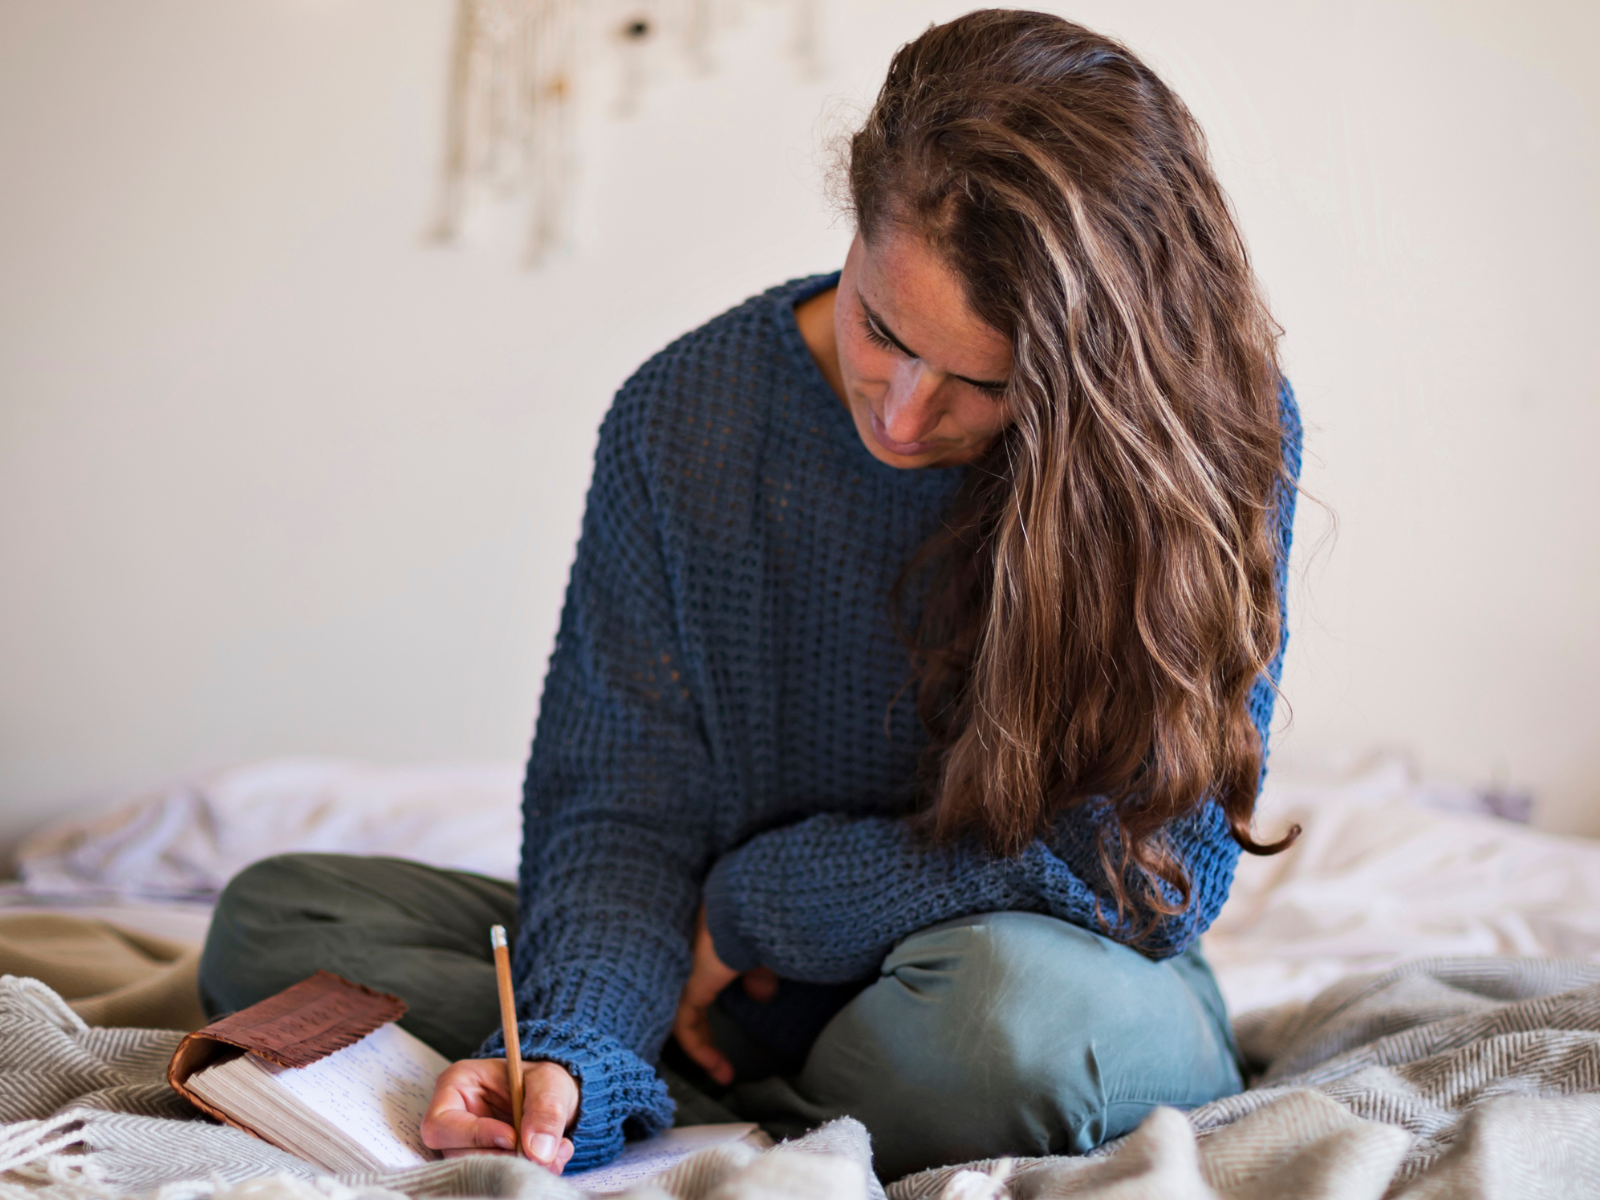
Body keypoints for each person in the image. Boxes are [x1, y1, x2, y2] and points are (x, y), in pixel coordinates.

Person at [198, 9, 1302, 1182]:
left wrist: (761, 905)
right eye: (883, 330)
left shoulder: (1202, 441)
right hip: (729, 992)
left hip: (1012, 979)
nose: (903, 416)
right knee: (283, 922)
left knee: (1002, 1028)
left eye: (985, 383)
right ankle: (678, 1091)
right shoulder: (683, 418)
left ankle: (740, 1097)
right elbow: (620, 813)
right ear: (855, 229)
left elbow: (1148, 870)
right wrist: (571, 1049)